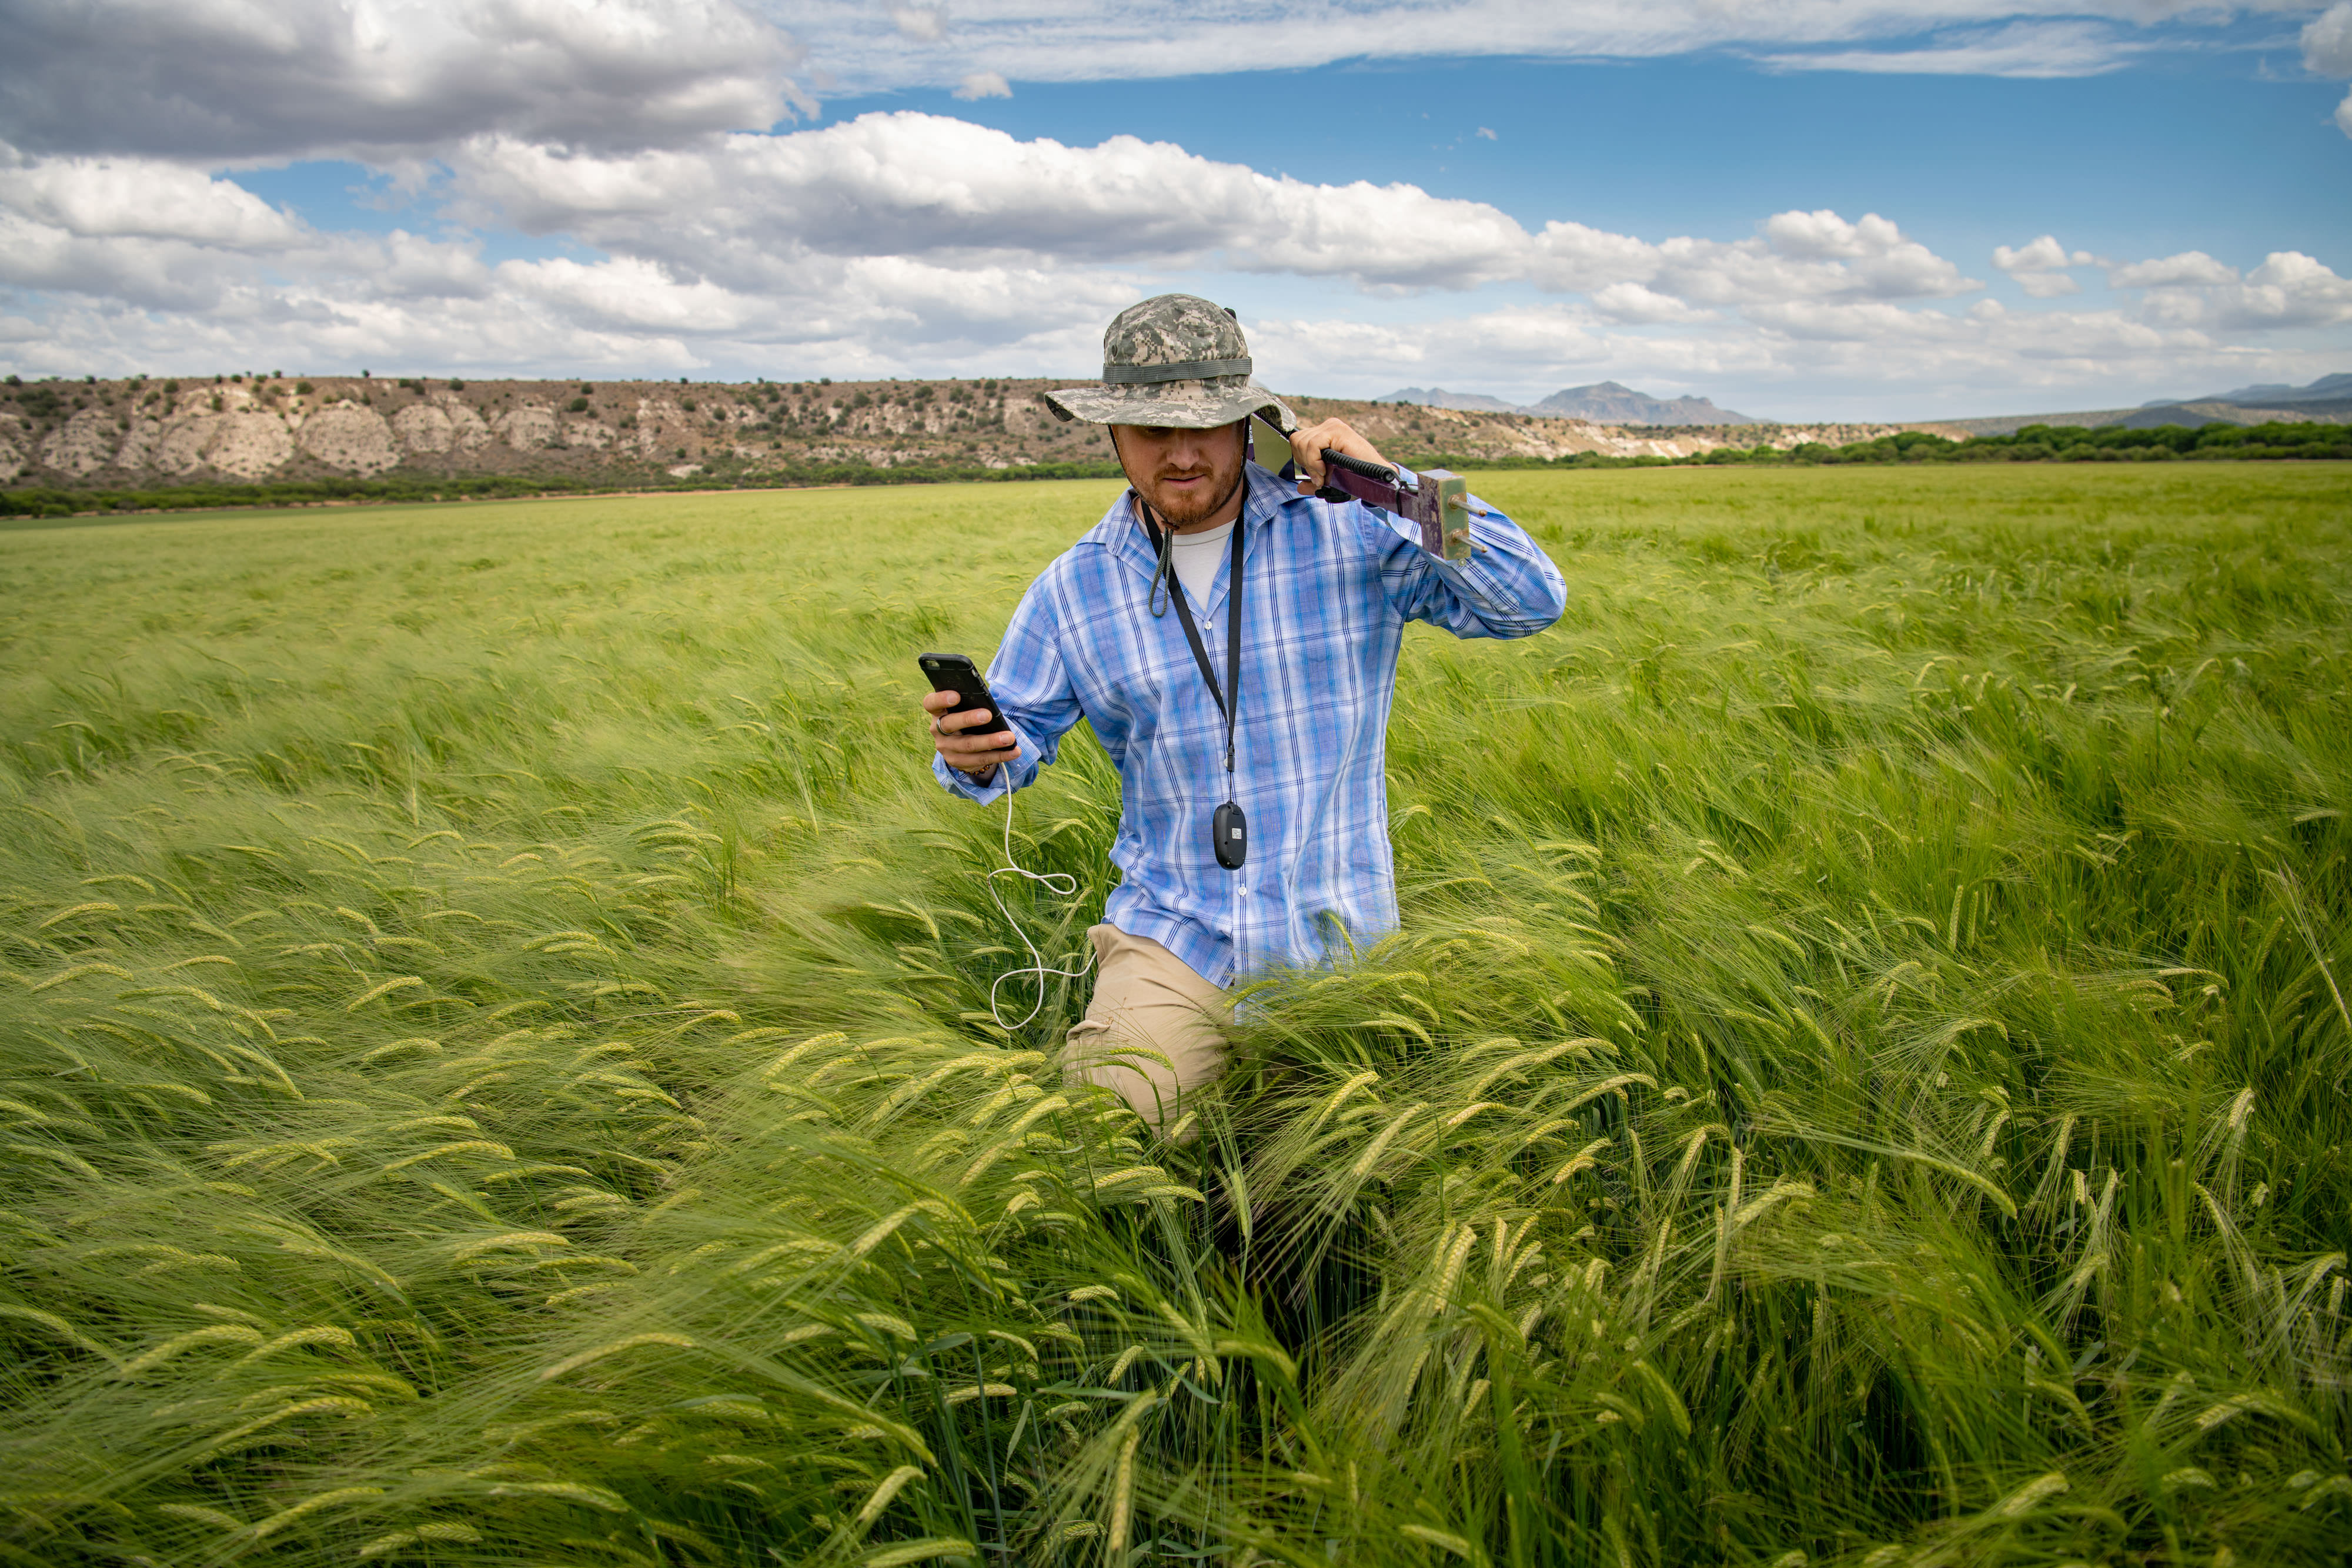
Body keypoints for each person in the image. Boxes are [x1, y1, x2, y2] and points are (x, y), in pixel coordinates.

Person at [921, 293, 1566, 1134]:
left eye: (1207, 425)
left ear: (1250, 426)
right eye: (1154, 431)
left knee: (1364, 1175)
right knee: (1104, 1136)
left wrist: (1397, 487)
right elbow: (1016, 742)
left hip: (1339, 937)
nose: (1182, 454)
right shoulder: (1075, 589)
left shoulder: (1352, 534)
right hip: (1176, 935)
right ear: (1112, 435)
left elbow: (1530, 601)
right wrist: (976, 756)